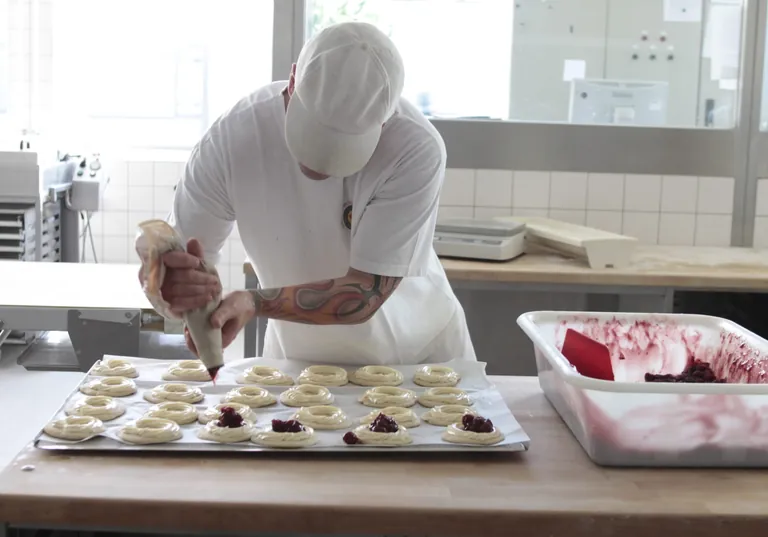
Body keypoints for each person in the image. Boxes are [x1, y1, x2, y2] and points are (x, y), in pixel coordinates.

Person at [148, 21, 476, 365]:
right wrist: (176, 291)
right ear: (292, 82)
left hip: (415, 357)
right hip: (299, 357)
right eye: (313, 133)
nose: (321, 166)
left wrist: (254, 302)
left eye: (343, 147)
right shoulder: (234, 138)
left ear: (384, 121)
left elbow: (364, 293)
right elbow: (174, 256)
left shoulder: (415, 148)